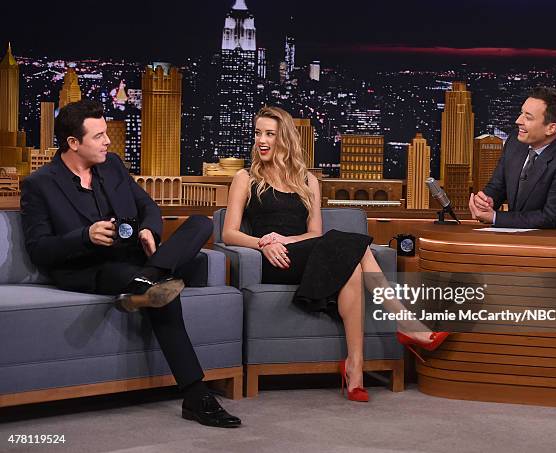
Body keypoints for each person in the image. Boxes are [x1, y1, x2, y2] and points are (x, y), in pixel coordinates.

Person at [20, 99, 240, 428]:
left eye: (107, 133)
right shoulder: (40, 185)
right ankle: (196, 395)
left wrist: (150, 229)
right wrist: (85, 236)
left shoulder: (113, 166)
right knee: (171, 287)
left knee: (201, 224)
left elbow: (147, 206)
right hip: (90, 267)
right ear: (73, 143)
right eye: (99, 136)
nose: (108, 141)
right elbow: (40, 250)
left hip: (135, 259)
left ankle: (148, 280)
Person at [223, 106, 448, 402]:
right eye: (257, 133)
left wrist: (287, 239)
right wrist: (265, 243)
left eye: (269, 134)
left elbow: (314, 234)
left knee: (352, 265)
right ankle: (404, 323)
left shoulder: (308, 181)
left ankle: (355, 367)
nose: (261, 140)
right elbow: (229, 233)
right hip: (274, 261)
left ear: (286, 139)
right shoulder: (245, 177)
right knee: (354, 247)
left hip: (302, 251)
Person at [469, 86, 556, 229]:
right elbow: (497, 186)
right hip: (510, 238)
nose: (518, 120)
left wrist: (495, 217)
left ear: (551, 128)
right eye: (521, 113)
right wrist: (486, 201)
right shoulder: (514, 142)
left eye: (528, 117)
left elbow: (552, 217)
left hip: (544, 243)